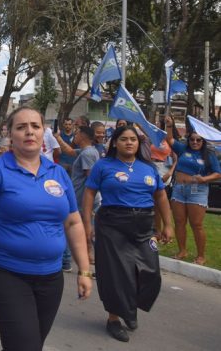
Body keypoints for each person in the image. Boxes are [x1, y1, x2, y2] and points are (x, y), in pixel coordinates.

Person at [0, 106, 92, 351]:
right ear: (10, 134)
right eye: (21, 127)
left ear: (43, 131)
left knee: (30, 343)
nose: (29, 132)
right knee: (25, 346)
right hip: (5, 274)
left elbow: (73, 222)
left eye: (35, 126)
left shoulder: (57, 173)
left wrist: (84, 270)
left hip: (51, 279)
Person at [82, 125, 173, 342]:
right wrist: (87, 223)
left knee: (150, 273)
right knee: (117, 274)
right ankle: (115, 318)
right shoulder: (103, 166)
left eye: (133, 139)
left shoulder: (148, 168)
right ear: (115, 142)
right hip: (113, 224)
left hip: (143, 226)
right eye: (123, 139)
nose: (129, 142)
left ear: (139, 143)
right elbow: (89, 195)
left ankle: (130, 307)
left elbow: (160, 196)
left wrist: (168, 225)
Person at [164, 116, 221, 266]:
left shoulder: (208, 154)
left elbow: (218, 173)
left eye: (198, 140)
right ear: (188, 140)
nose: (195, 142)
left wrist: (204, 179)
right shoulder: (183, 149)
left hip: (198, 191)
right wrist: (170, 125)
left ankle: (201, 256)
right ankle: (182, 251)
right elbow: (169, 140)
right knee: (179, 222)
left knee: (196, 224)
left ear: (203, 141)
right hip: (179, 190)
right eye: (192, 139)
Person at [61, 126, 100, 271]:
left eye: (76, 134)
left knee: (75, 228)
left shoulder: (87, 154)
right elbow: (69, 151)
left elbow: (91, 178)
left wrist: (88, 202)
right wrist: (58, 137)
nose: (74, 136)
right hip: (80, 199)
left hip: (82, 200)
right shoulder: (86, 151)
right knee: (81, 229)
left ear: (83, 136)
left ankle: (67, 261)